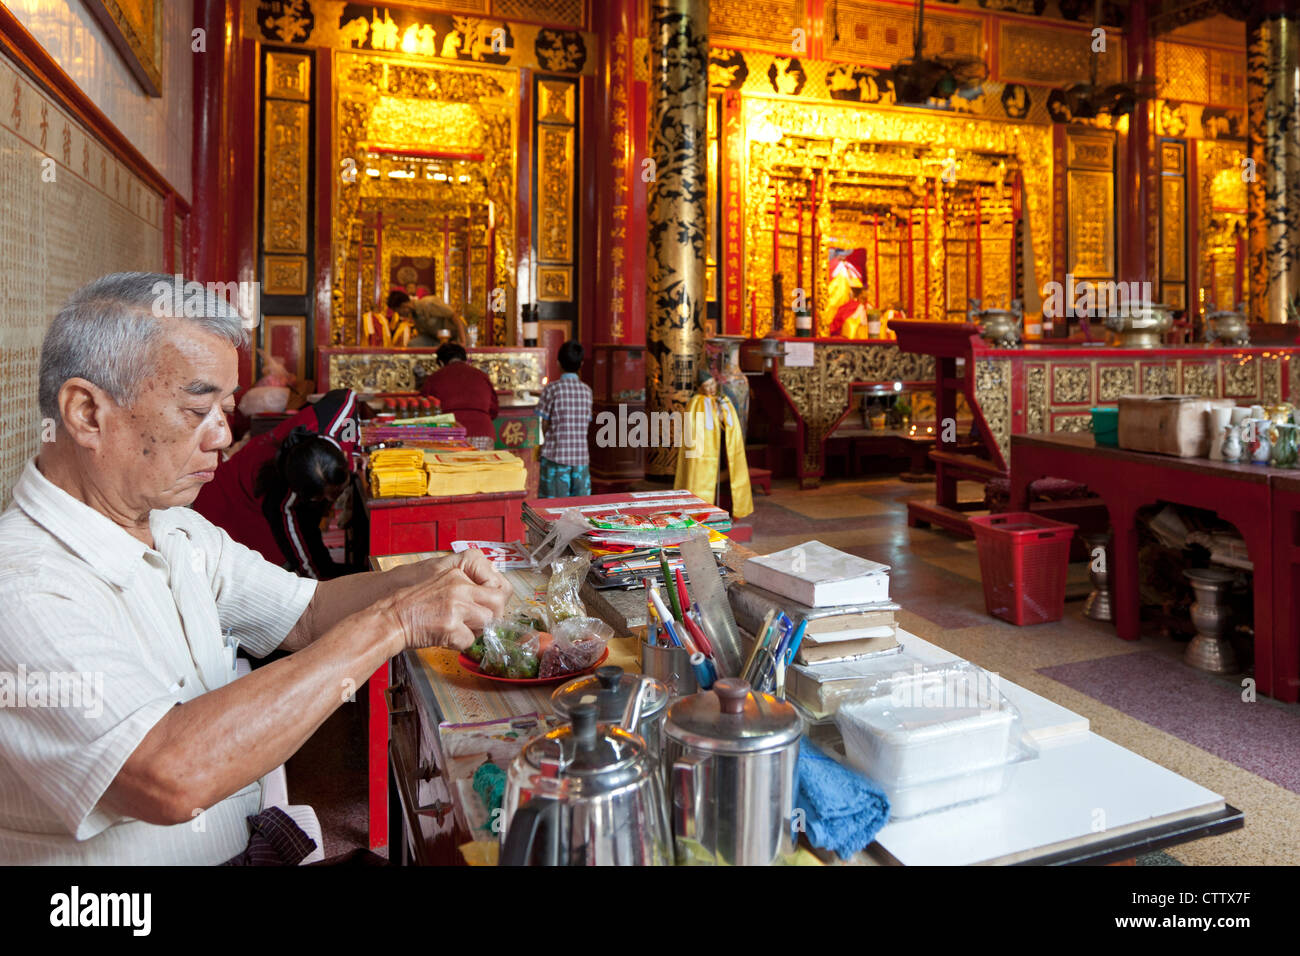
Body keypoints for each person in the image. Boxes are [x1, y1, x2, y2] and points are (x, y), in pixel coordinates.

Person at [0, 273, 509, 864]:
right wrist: (394, 621)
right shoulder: (26, 586)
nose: (222, 435)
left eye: (224, 408)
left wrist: (433, 576)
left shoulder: (173, 527)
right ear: (87, 412)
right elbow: (169, 775)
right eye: (198, 408)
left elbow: (309, 614)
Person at [192, 389, 361, 579]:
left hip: (247, 476)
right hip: (225, 508)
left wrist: (353, 453)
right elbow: (313, 568)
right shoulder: (283, 501)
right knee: (262, 574)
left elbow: (348, 396)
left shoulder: (334, 421)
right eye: (326, 497)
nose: (333, 499)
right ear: (304, 495)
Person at [537, 340, 593, 497]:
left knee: (553, 510)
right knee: (580, 510)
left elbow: (545, 423)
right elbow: (585, 423)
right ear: (581, 364)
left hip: (555, 457)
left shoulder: (552, 389)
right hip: (581, 460)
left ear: (558, 363)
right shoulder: (587, 391)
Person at [419, 342, 499, 445]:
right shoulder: (481, 376)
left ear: (441, 363)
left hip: (449, 433)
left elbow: (424, 409)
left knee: (448, 461)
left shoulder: (434, 378)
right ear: (465, 360)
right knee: (482, 461)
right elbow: (494, 409)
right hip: (482, 432)